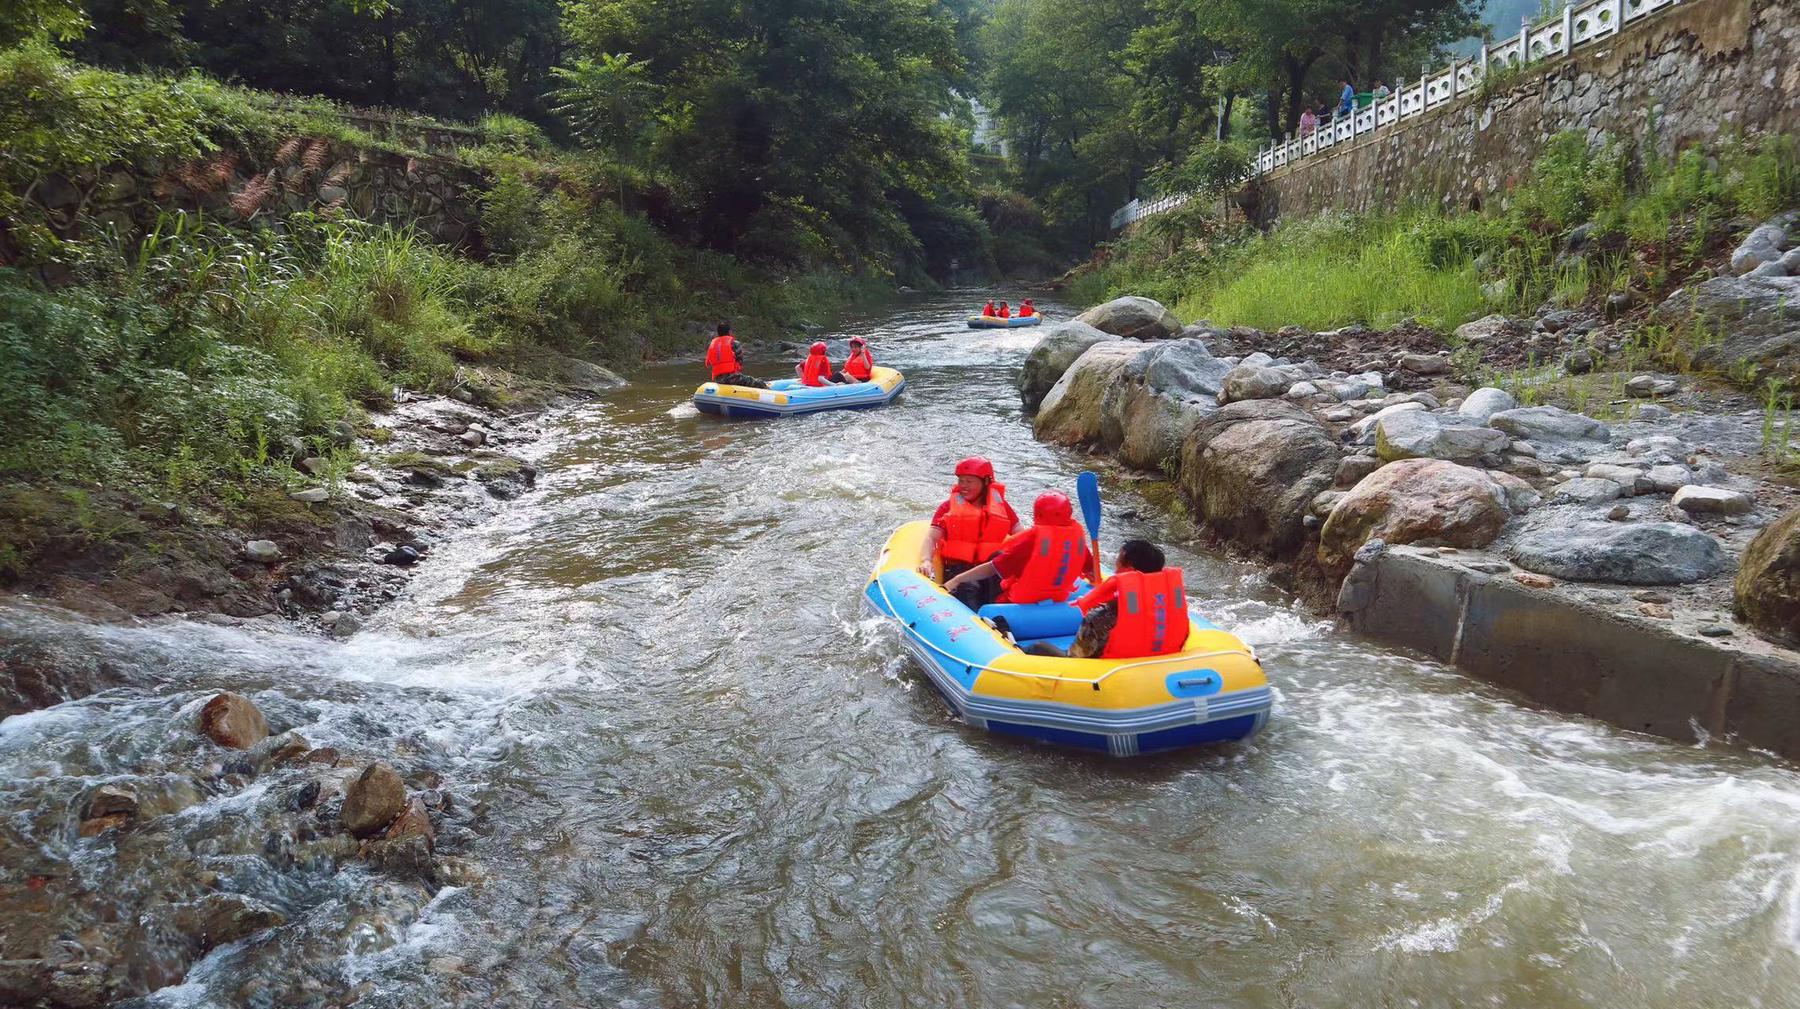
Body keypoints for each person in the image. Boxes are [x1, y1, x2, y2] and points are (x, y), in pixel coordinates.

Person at [1025, 539, 1189, 659]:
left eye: (1117, 565)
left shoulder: (1099, 618)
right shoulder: (1174, 610)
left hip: (1104, 676)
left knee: (1036, 647)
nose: (1115, 570)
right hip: (1155, 665)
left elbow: (1074, 659)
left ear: (1128, 570)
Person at [943, 491, 1089, 605]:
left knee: (995, 557)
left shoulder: (1031, 541)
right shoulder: (1078, 540)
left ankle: (975, 611)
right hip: (1059, 600)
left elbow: (992, 568)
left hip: (1017, 604)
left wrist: (957, 579)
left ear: (1038, 514)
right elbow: (1091, 571)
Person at [918, 456, 1021, 611]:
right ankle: (975, 623)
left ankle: (1001, 620)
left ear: (985, 482)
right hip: (959, 570)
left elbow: (1021, 535)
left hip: (988, 570)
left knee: (1000, 563)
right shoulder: (948, 508)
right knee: (968, 587)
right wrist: (926, 560)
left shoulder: (1002, 507)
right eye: (961, 481)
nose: (963, 486)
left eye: (969, 481)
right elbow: (932, 537)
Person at [704, 321, 767, 388]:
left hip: (718, 379)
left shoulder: (712, 345)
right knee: (760, 383)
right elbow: (740, 362)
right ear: (729, 332)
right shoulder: (734, 343)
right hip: (733, 378)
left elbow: (708, 363)